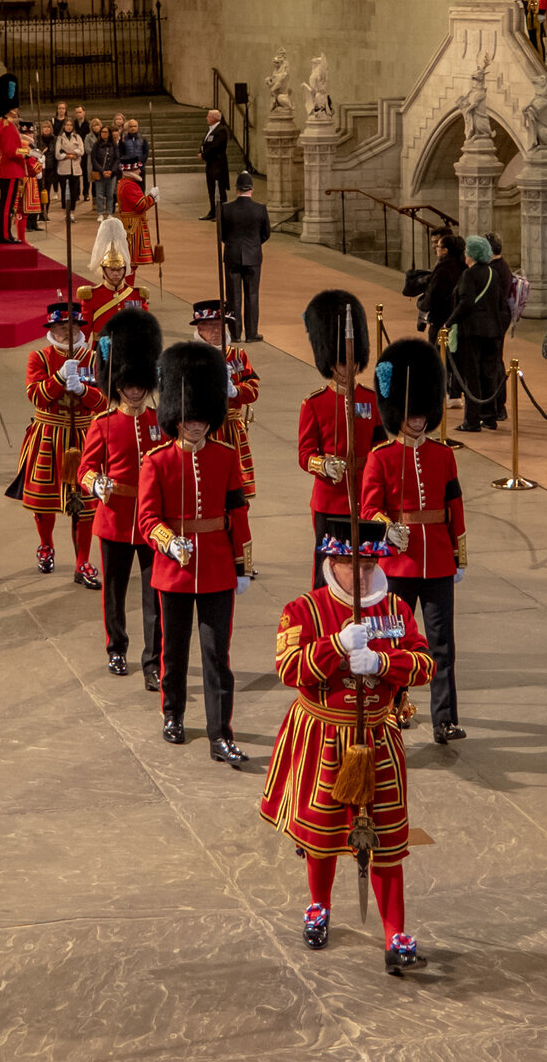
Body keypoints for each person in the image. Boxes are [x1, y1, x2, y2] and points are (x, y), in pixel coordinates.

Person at [259, 511, 431, 964]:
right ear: (331, 562)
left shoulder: (396, 609)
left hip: (378, 736)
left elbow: (425, 663)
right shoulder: (302, 609)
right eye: (352, 565)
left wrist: (383, 665)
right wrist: (335, 645)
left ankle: (396, 930)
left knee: (389, 838)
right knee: (323, 831)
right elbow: (287, 667)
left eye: (369, 565)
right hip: (324, 735)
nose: (362, 574)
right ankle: (319, 904)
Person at [136, 342, 250, 764]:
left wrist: (243, 566)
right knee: (175, 650)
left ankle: (221, 733)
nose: (195, 425)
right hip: (174, 570)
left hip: (218, 567)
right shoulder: (157, 461)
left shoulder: (224, 457)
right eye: (188, 418)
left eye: (201, 418)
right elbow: (148, 519)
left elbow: (237, 510)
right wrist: (169, 541)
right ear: (175, 417)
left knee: (217, 655)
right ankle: (173, 714)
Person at [362, 338, 464, 745]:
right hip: (399, 563)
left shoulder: (443, 455)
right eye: (411, 414)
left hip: (437, 559)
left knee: (442, 644)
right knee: (395, 642)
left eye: (423, 414)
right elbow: (370, 508)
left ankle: (445, 718)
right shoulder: (381, 457)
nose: (418, 421)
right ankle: (394, 707)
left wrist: (458, 555)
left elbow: (454, 507)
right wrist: (387, 528)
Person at [76, 308, 164, 685]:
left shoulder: (161, 421)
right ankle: (117, 649)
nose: (134, 389)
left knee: (154, 599)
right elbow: (84, 469)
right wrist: (97, 484)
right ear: (119, 383)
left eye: (139, 383)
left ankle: (153, 662)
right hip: (114, 518)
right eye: (128, 383)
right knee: (114, 593)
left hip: (151, 521)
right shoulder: (104, 424)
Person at [7, 301, 106, 581]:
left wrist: (84, 391)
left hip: (84, 436)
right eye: (59, 326)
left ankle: (82, 562)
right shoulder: (38, 357)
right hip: (48, 435)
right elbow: (36, 397)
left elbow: (104, 401)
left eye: (71, 326)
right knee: (43, 501)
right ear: (52, 328)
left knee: (86, 505)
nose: (65, 331)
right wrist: (60, 378)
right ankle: (46, 545)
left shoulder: (93, 359)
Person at [296, 290, 381, 585]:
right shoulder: (315, 403)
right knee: (327, 567)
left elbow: (380, 448)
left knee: (367, 563)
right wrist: (324, 465)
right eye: (343, 362)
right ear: (331, 363)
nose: (350, 368)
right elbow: (305, 454)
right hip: (329, 499)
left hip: (365, 495)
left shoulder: (371, 400)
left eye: (354, 362)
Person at [192, 299, 259, 498]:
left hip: (233, 429)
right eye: (210, 326)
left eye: (220, 326)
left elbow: (253, 388)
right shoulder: (191, 357)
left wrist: (236, 391)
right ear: (200, 329)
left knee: (237, 488)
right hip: (204, 429)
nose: (215, 331)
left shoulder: (238, 355)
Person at [446, 235, 508, 432]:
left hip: (472, 332)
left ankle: (471, 421)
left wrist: (449, 322)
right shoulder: (493, 273)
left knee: (471, 376)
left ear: (471, 254)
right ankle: (490, 417)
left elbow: (466, 302)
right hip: (493, 332)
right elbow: (499, 303)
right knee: (488, 374)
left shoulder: (469, 275)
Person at [74, 217, 148, 338]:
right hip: (100, 349)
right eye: (111, 270)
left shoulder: (137, 295)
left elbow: (144, 328)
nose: (116, 274)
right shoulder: (91, 295)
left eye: (119, 270)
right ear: (103, 270)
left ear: (125, 269)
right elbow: (84, 331)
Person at [219, 173, 269, 342]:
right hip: (253, 257)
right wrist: (254, 245)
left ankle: (235, 334)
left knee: (233, 296)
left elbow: (222, 234)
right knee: (252, 295)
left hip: (232, 255)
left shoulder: (225, 209)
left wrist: (233, 244)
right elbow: (266, 233)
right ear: (252, 190)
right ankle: (252, 333)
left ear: (236, 190)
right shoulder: (260, 209)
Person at [0, 105, 28, 240]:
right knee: (7, 205)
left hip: (9, 169)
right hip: (10, 169)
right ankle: (5, 235)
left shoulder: (4, 123)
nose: (17, 111)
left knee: (6, 204)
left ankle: (5, 233)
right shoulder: (7, 125)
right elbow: (10, 150)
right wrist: (26, 152)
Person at [114, 161, 157, 267]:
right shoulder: (130, 186)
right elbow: (141, 206)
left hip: (130, 223)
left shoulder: (124, 183)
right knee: (131, 262)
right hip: (133, 226)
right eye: (136, 169)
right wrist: (152, 197)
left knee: (130, 262)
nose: (139, 171)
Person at [200, 107, 230, 219]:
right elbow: (205, 144)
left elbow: (216, 146)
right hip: (210, 165)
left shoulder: (221, 130)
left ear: (213, 118)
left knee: (219, 190)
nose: (206, 118)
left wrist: (204, 155)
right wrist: (201, 152)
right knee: (211, 190)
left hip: (218, 165)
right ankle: (212, 212)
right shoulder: (210, 130)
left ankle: (221, 214)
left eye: (208, 116)